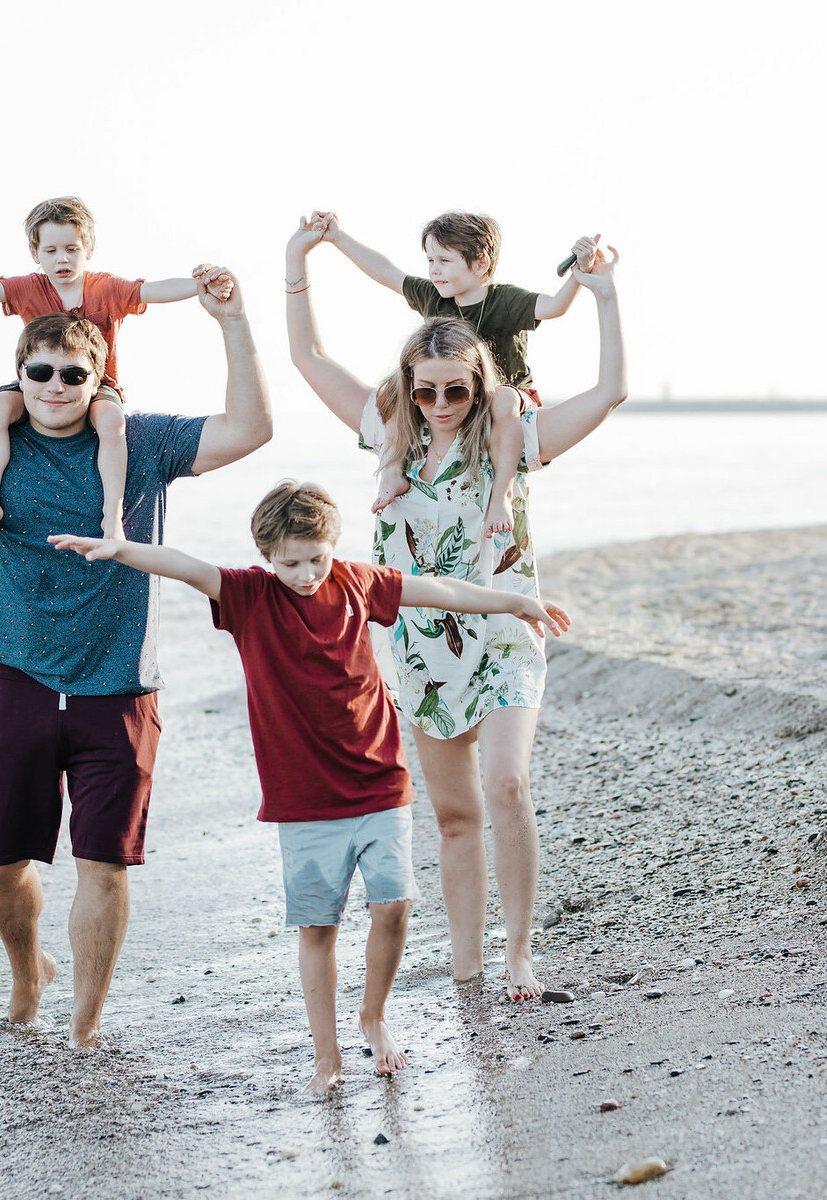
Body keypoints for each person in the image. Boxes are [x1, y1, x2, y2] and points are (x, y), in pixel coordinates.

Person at [0, 249, 271, 1047]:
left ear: (99, 380)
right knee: (1, 863)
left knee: (103, 866)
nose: (53, 386)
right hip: (18, 679)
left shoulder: (140, 445)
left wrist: (233, 323)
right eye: (38, 371)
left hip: (119, 687)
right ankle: (25, 971)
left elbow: (251, 429)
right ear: (19, 373)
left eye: (72, 375)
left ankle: (84, 1024)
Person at [49, 481, 570, 1094]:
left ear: (332, 546)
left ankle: (373, 1014)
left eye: (315, 558)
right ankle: (328, 1056)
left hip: (379, 779)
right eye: (290, 562)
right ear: (267, 557)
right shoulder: (249, 596)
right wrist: (120, 549)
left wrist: (513, 604)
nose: (304, 574)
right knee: (319, 928)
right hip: (304, 799)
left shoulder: (356, 581)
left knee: (395, 908)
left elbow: (441, 592)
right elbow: (186, 567)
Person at [285, 215, 626, 1001]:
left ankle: (518, 951)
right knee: (452, 814)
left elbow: (610, 392)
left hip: (506, 627)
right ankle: (468, 966)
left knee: (505, 783)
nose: (440, 403)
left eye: (456, 389)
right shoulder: (388, 440)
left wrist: (602, 298)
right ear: (407, 386)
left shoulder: (516, 437)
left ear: (479, 384)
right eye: (426, 389)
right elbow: (308, 357)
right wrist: (299, 261)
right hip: (422, 644)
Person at [0, 196, 229, 547]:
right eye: (50, 250)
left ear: (89, 249)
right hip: (38, 379)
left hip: (96, 386)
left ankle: (112, 516)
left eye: (71, 248)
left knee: (112, 421)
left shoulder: (107, 288)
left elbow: (153, 290)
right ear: (35, 253)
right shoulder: (28, 288)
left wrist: (199, 284)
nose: (62, 259)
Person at [306, 210, 599, 535]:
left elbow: (555, 306)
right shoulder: (434, 295)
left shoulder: (504, 300)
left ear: (480, 264)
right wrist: (337, 237)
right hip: (451, 394)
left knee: (502, 400)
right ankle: (391, 471)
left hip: (507, 396)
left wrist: (578, 272)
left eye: (444, 261)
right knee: (393, 388)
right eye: (430, 259)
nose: (433, 270)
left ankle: (501, 492)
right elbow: (385, 271)